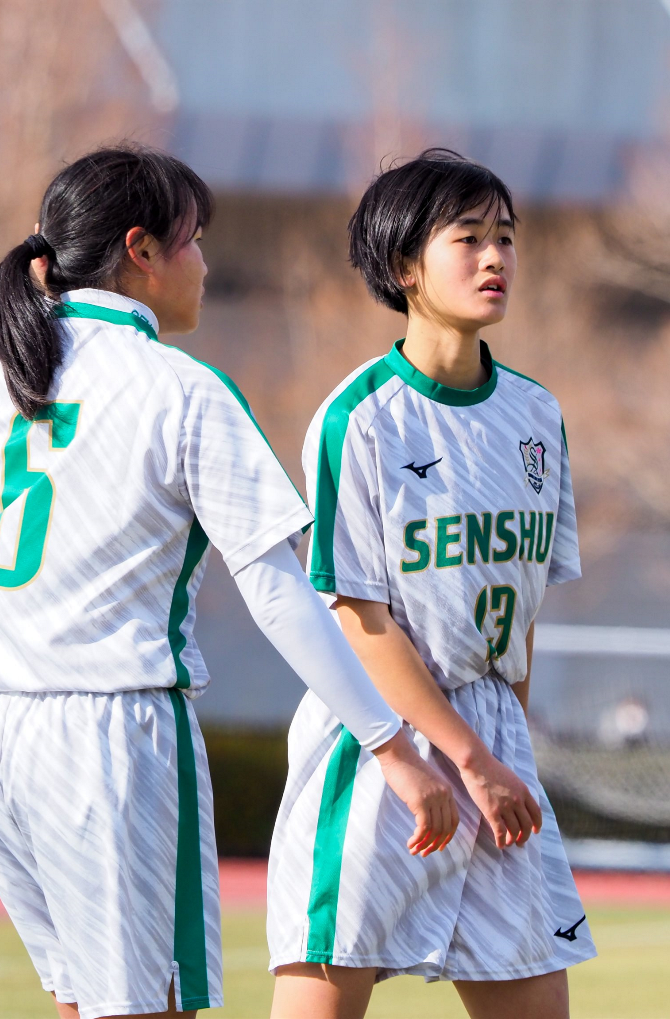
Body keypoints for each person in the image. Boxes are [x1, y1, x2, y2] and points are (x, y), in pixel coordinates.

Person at [0, 144, 458, 1019]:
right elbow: (280, 593)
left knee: (81, 1001)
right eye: (192, 241)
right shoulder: (182, 390)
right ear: (141, 250)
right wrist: (390, 744)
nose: (206, 265)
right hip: (109, 732)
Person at [267, 148, 596, 1019]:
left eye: (506, 237)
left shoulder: (537, 414)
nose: (496, 258)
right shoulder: (358, 419)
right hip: (381, 740)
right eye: (469, 238)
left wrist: (502, 748)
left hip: (493, 744)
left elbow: (525, 610)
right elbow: (358, 616)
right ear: (405, 265)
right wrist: (465, 758)